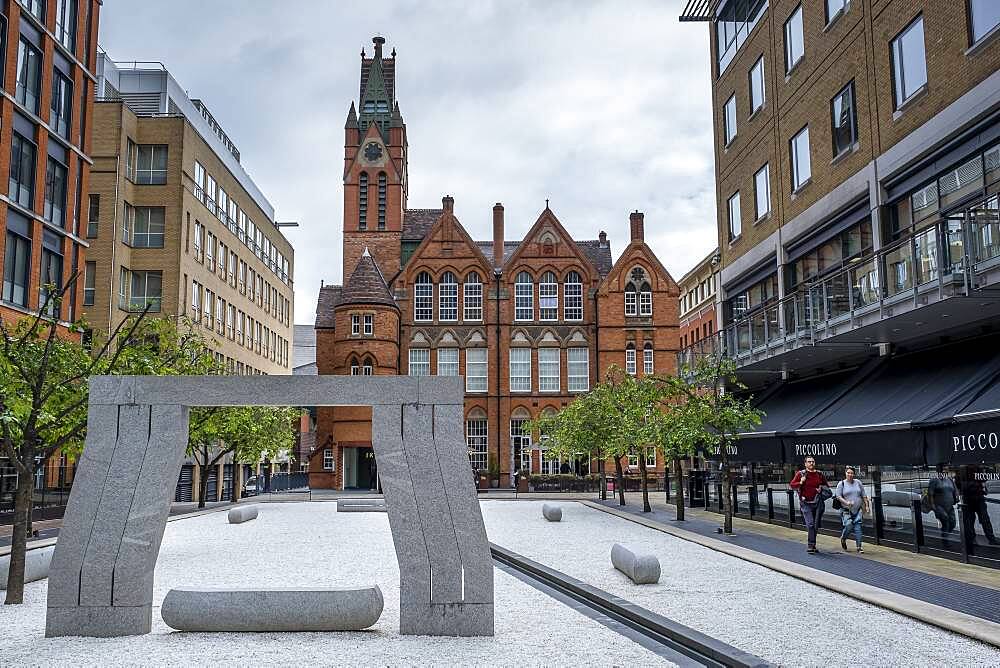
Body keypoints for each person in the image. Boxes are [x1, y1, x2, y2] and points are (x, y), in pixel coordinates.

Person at [790, 457, 830, 554]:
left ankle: (813, 545)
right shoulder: (801, 474)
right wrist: (800, 482)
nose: (811, 463)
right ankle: (810, 545)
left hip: (818, 503)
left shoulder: (819, 474)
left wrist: (821, 489)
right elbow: (792, 485)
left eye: (813, 461)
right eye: (809, 462)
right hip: (805, 503)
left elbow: (826, 486)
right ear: (805, 464)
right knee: (810, 524)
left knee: (815, 526)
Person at [961, 471, 999, 554]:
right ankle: (973, 540)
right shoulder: (965, 474)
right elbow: (963, 486)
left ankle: (991, 539)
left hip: (978, 500)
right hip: (969, 500)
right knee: (970, 521)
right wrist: (979, 485)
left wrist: (982, 486)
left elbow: (983, 482)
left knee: (985, 520)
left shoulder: (977, 474)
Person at [835, 466, 870, 553]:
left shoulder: (858, 482)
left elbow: (864, 495)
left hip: (857, 509)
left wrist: (867, 506)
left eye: (852, 473)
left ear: (854, 474)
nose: (850, 475)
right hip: (846, 510)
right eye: (848, 473)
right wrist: (846, 502)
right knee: (849, 525)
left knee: (858, 527)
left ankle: (859, 547)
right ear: (845, 473)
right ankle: (843, 538)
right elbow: (838, 496)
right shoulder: (841, 484)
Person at [928, 466, 958, 546]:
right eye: (943, 470)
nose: (944, 471)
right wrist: (933, 506)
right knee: (945, 521)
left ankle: (944, 535)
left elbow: (955, 491)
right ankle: (945, 541)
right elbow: (930, 494)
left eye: (946, 470)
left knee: (953, 523)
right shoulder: (934, 480)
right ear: (938, 471)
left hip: (950, 506)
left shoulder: (950, 480)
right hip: (939, 506)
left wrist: (956, 498)